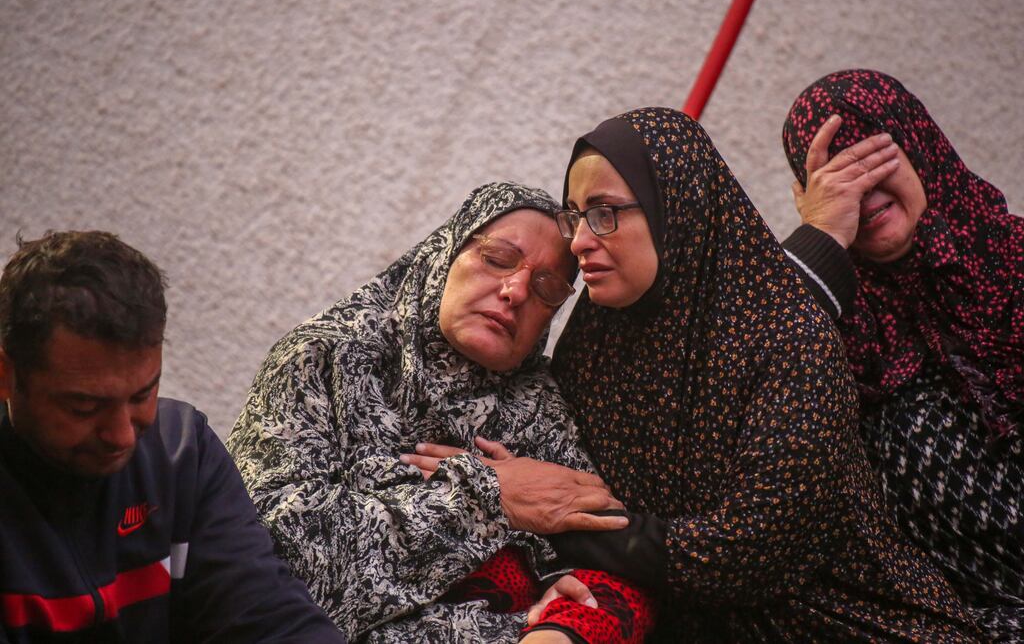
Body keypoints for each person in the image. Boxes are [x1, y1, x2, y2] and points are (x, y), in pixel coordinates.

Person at [537, 107, 979, 641]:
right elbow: (559, 482)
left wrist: (551, 519)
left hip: (846, 623)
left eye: (605, 212)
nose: (580, 240)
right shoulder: (590, 348)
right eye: (574, 216)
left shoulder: (787, 339)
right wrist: (493, 487)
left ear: (679, 211)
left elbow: (743, 554)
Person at [227, 182, 655, 643]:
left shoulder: (537, 403)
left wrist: (560, 598)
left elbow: (603, 551)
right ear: (444, 255)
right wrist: (487, 497)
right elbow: (267, 559)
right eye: (497, 259)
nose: (514, 291)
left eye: (546, 287)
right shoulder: (326, 359)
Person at [0, 231, 346, 643]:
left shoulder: (182, 452)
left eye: (142, 395)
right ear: (6, 375)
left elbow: (271, 620)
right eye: (84, 407)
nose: (122, 435)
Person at [780, 69, 1023, 641]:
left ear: (918, 145)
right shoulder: (828, 323)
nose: (862, 191)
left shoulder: (1011, 262)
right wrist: (818, 240)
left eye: (872, 157)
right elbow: (745, 385)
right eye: (837, 177)